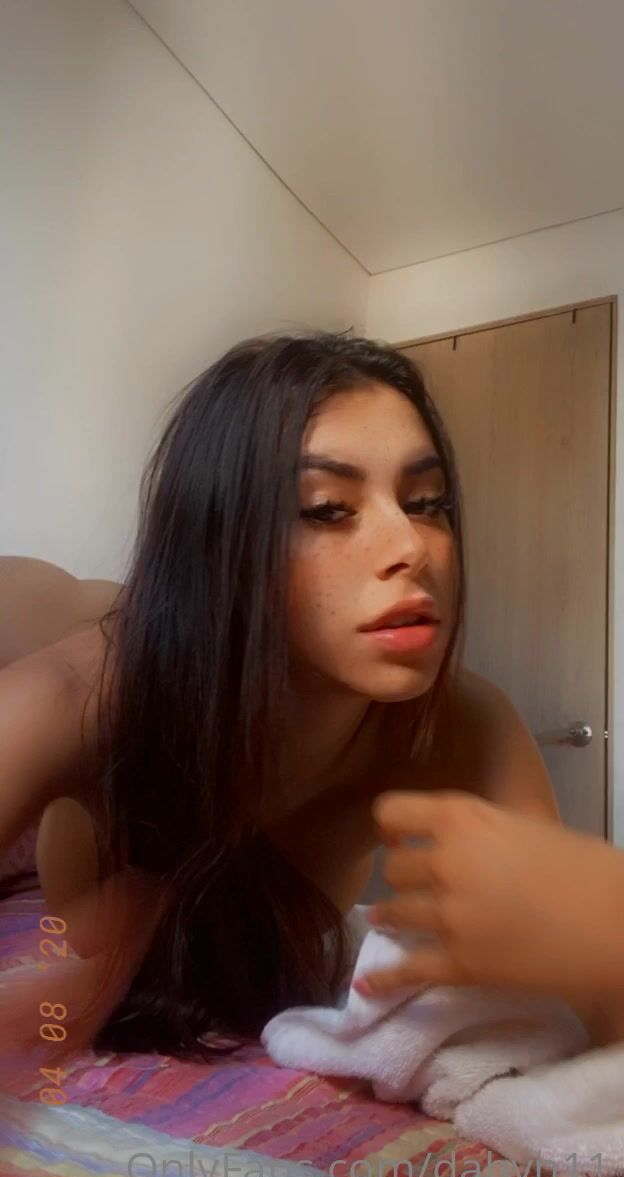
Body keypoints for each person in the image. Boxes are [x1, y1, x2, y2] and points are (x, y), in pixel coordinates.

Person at [0, 330, 615, 1065]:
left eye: (427, 502)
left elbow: (585, 1001)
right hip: (108, 632)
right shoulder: (79, 691)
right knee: (45, 599)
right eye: (327, 508)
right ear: (220, 542)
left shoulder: (465, 725)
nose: (412, 547)